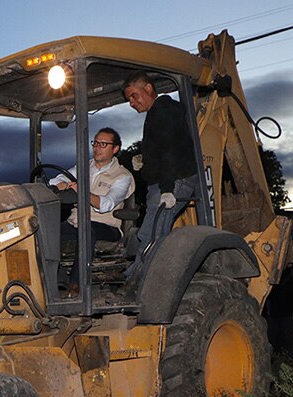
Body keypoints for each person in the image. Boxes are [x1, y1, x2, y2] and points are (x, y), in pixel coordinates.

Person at [122, 71, 199, 280]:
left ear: (148, 88)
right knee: (146, 233)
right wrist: (145, 161)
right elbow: (165, 147)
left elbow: (169, 151)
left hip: (174, 181)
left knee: (152, 235)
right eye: (129, 99)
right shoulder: (157, 113)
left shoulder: (163, 110)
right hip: (164, 181)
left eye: (134, 96)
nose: (131, 103)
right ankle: (137, 277)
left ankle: (140, 282)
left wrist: (167, 190)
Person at [50, 127, 134, 298]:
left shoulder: (122, 176)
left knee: (87, 230)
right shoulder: (83, 167)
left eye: (103, 144)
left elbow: (107, 204)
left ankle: (76, 287)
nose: (97, 147)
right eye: (95, 143)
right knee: (45, 232)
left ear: (115, 149)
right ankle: (49, 283)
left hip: (106, 227)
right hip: (76, 223)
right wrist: (61, 185)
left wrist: (82, 191)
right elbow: (57, 179)